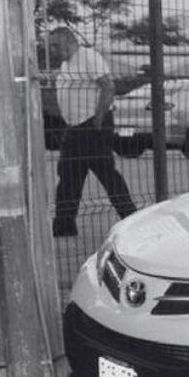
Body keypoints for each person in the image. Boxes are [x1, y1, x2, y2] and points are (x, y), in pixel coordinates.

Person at [51, 27, 136, 237]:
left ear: (69, 41)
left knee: (107, 174)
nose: (53, 50)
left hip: (91, 125)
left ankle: (132, 219)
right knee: (68, 176)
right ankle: (63, 226)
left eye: (56, 45)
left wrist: (98, 119)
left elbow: (108, 86)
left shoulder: (88, 57)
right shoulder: (66, 64)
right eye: (51, 46)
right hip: (74, 127)